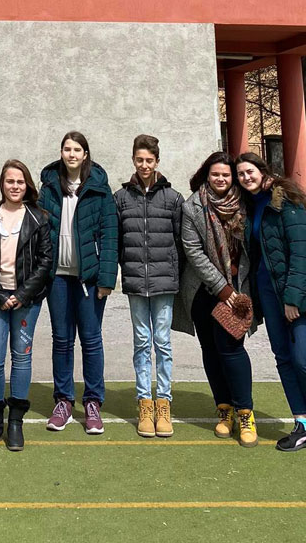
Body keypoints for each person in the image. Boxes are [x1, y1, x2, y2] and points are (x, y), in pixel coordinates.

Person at [235, 151, 306, 457]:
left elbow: (301, 252)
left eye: (249, 171)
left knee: (303, 358)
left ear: (262, 170)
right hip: (268, 293)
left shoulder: (286, 200)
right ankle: (302, 424)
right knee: (283, 358)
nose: (246, 177)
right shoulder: (250, 205)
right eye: (241, 174)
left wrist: (292, 299)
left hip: (300, 293)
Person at [175, 151, 257, 447]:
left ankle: (245, 412)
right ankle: (224, 409)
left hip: (238, 289)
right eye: (215, 174)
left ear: (232, 177)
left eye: (226, 174)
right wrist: (223, 289)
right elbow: (193, 251)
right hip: (203, 291)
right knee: (210, 349)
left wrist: (233, 290)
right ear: (206, 176)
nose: (220, 179)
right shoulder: (192, 206)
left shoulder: (245, 203)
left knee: (232, 349)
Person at [39, 130, 117, 435]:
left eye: (77, 150)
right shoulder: (49, 186)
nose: (71, 154)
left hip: (90, 278)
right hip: (57, 277)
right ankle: (63, 401)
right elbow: (39, 230)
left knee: (91, 339)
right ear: (61, 153)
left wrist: (106, 279)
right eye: (67, 149)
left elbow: (110, 236)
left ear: (85, 154)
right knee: (62, 340)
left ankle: (93, 402)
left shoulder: (99, 187)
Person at [0, 159, 53, 452]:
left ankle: (15, 422)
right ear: (2, 184)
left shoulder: (39, 218)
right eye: (10, 181)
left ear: (27, 185)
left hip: (26, 300)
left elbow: (45, 260)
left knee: (21, 358)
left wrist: (22, 294)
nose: (15, 186)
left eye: (20, 182)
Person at [114, 134, 183, 438]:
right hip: (135, 283)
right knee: (142, 342)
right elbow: (116, 241)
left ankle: (163, 402)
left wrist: (175, 273)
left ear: (157, 161)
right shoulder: (120, 198)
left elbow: (181, 241)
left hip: (164, 282)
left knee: (163, 343)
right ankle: (145, 403)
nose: (144, 165)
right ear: (133, 160)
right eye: (139, 160)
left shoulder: (173, 198)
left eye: (149, 160)